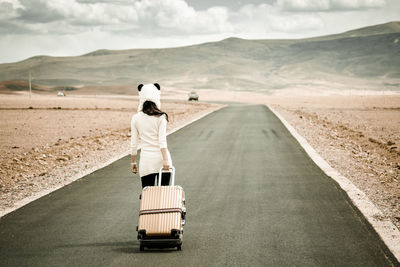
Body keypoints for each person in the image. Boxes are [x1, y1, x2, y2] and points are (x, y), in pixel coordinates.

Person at [130, 83, 172, 188]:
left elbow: (134, 143)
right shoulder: (161, 117)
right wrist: (166, 160)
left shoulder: (136, 118)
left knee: (148, 197)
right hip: (162, 160)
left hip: (146, 162)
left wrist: (133, 162)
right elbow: (162, 141)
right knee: (164, 195)